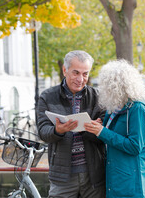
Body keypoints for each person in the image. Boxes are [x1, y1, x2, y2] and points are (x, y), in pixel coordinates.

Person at [37, 50, 106, 198]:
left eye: (85, 74)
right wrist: (57, 130)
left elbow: (104, 136)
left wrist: (90, 129)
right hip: (62, 176)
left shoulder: (98, 98)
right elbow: (43, 132)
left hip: (93, 175)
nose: (80, 79)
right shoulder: (47, 97)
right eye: (76, 73)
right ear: (64, 70)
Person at [84, 59, 145, 198]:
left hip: (131, 177)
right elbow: (111, 133)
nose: (104, 90)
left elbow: (135, 146)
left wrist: (102, 131)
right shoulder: (116, 106)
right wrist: (98, 126)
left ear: (118, 86)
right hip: (116, 173)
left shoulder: (138, 108)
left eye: (108, 86)